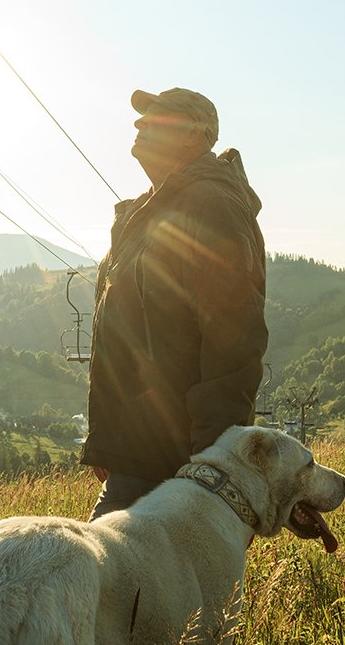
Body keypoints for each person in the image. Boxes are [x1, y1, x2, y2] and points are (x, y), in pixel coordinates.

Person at [81, 87, 268, 520]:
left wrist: (214, 461)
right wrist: (108, 439)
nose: (139, 123)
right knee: (149, 585)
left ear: (194, 134)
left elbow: (234, 339)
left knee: (117, 582)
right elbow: (121, 335)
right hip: (138, 452)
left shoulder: (210, 204)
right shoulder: (149, 209)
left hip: (175, 457)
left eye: (157, 117)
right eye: (142, 117)